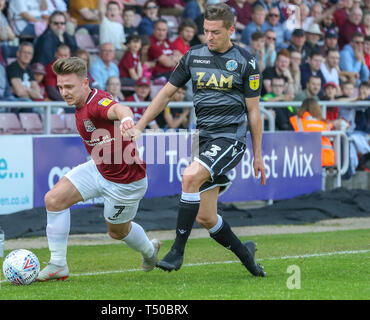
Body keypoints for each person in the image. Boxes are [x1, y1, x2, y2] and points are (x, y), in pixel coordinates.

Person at [127, 3, 266, 276]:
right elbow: (166, 93)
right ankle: (247, 256)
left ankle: (177, 250)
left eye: (215, 32)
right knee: (205, 217)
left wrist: (258, 154)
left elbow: (253, 110)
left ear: (230, 30)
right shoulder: (193, 56)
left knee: (190, 177)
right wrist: (141, 125)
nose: (209, 37)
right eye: (206, 31)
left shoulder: (246, 61)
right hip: (202, 140)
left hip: (230, 139)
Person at [36, 57, 161, 281]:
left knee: (117, 232)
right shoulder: (79, 104)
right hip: (99, 169)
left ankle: (150, 252)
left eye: (69, 87)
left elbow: (117, 109)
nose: (64, 92)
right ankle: (57, 264)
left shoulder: (97, 102)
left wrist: (126, 119)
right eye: (61, 87)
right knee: (53, 200)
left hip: (126, 183)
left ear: (85, 83)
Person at [289, 98, 335, 167]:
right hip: (325, 159)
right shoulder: (326, 123)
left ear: (302, 107)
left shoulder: (295, 120)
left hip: (304, 159)